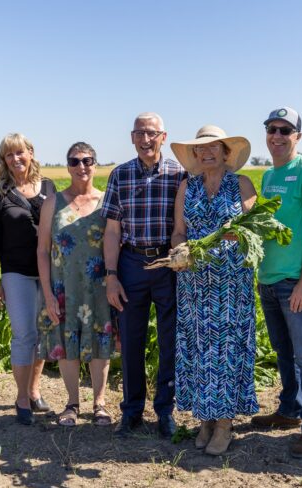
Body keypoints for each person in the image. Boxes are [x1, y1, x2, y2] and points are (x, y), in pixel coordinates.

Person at [169, 125, 258, 455]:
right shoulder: (187, 188)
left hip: (231, 284)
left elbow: (256, 225)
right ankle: (206, 418)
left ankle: (224, 423)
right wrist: (180, 250)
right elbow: (179, 232)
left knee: (227, 351)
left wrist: (240, 233)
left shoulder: (242, 184)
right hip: (194, 284)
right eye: (199, 149)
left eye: (212, 147)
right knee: (200, 351)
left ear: (225, 152)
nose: (205, 153)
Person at [101, 112, 187, 438]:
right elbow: (112, 231)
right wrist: (112, 275)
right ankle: (132, 410)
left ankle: (166, 411)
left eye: (152, 133)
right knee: (132, 340)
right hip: (131, 263)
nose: (146, 139)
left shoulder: (179, 175)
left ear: (163, 137)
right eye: (140, 133)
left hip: (167, 263)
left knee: (169, 340)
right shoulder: (120, 175)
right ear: (132, 137)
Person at [251, 107, 302, 458]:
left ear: (298, 136)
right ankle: (289, 410)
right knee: (284, 353)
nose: (277, 136)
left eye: (286, 130)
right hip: (269, 279)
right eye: (272, 129)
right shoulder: (269, 175)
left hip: (297, 282)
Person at [37, 142, 113, 427]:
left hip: (99, 286)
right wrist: (47, 293)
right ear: (67, 165)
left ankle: (100, 403)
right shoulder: (53, 203)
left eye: (88, 160)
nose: (82, 166)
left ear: (95, 164)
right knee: (67, 345)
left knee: (99, 343)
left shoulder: (106, 201)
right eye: (75, 161)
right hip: (62, 286)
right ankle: (71, 404)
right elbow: (42, 250)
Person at [0, 133, 56, 426]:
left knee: (42, 334)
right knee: (24, 334)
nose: (16, 159)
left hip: (48, 272)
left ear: (31, 153)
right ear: (4, 161)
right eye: (9, 155)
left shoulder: (49, 188)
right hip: (15, 273)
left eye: (20, 153)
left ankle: (34, 390)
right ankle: (22, 398)